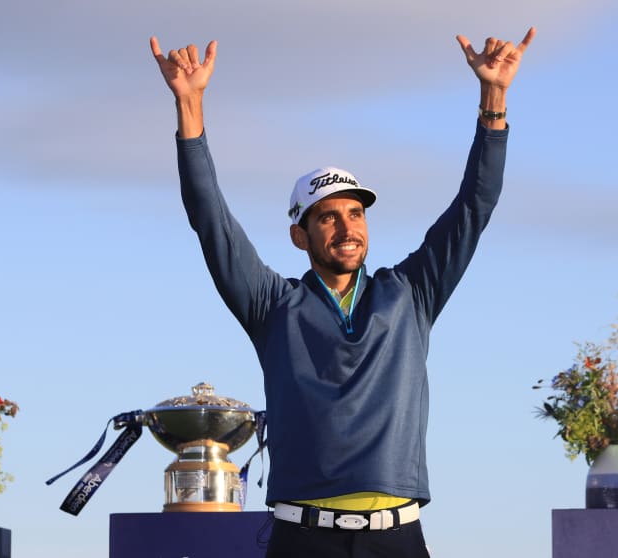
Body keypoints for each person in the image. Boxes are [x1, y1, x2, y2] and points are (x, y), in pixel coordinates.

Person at [151, 27, 536, 558]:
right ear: (299, 236)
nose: (347, 227)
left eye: (355, 213)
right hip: (303, 539)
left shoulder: (410, 292)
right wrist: (189, 109)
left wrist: (494, 98)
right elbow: (210, 220)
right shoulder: (273, 306)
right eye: (328, 218)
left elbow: (476, 204)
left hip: (398, 538)